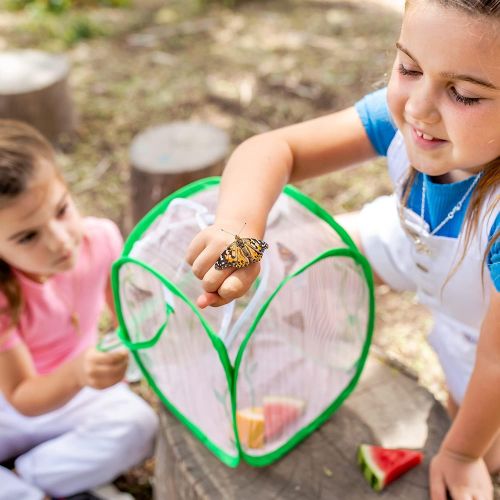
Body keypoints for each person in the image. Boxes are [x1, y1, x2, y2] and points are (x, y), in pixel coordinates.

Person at [185, 0, 500, 498]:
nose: (418, 106)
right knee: (302, 247)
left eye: (462, 94)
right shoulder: (408, 120)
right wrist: (240, 233)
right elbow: (272, 149)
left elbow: (495, 362)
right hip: (410, 242)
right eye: (409, 68)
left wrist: (461, 453)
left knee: (478, 435)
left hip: (484, 323)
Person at [0, 120, 158, 500]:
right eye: (28, 236)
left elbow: (131, 318)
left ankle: (26, 480)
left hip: (77, 394)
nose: (60, 241)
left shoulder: (102, 239)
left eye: (61, 210)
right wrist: (77, 372)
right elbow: (21, 395)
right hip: (11, 407)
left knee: (139, 425)